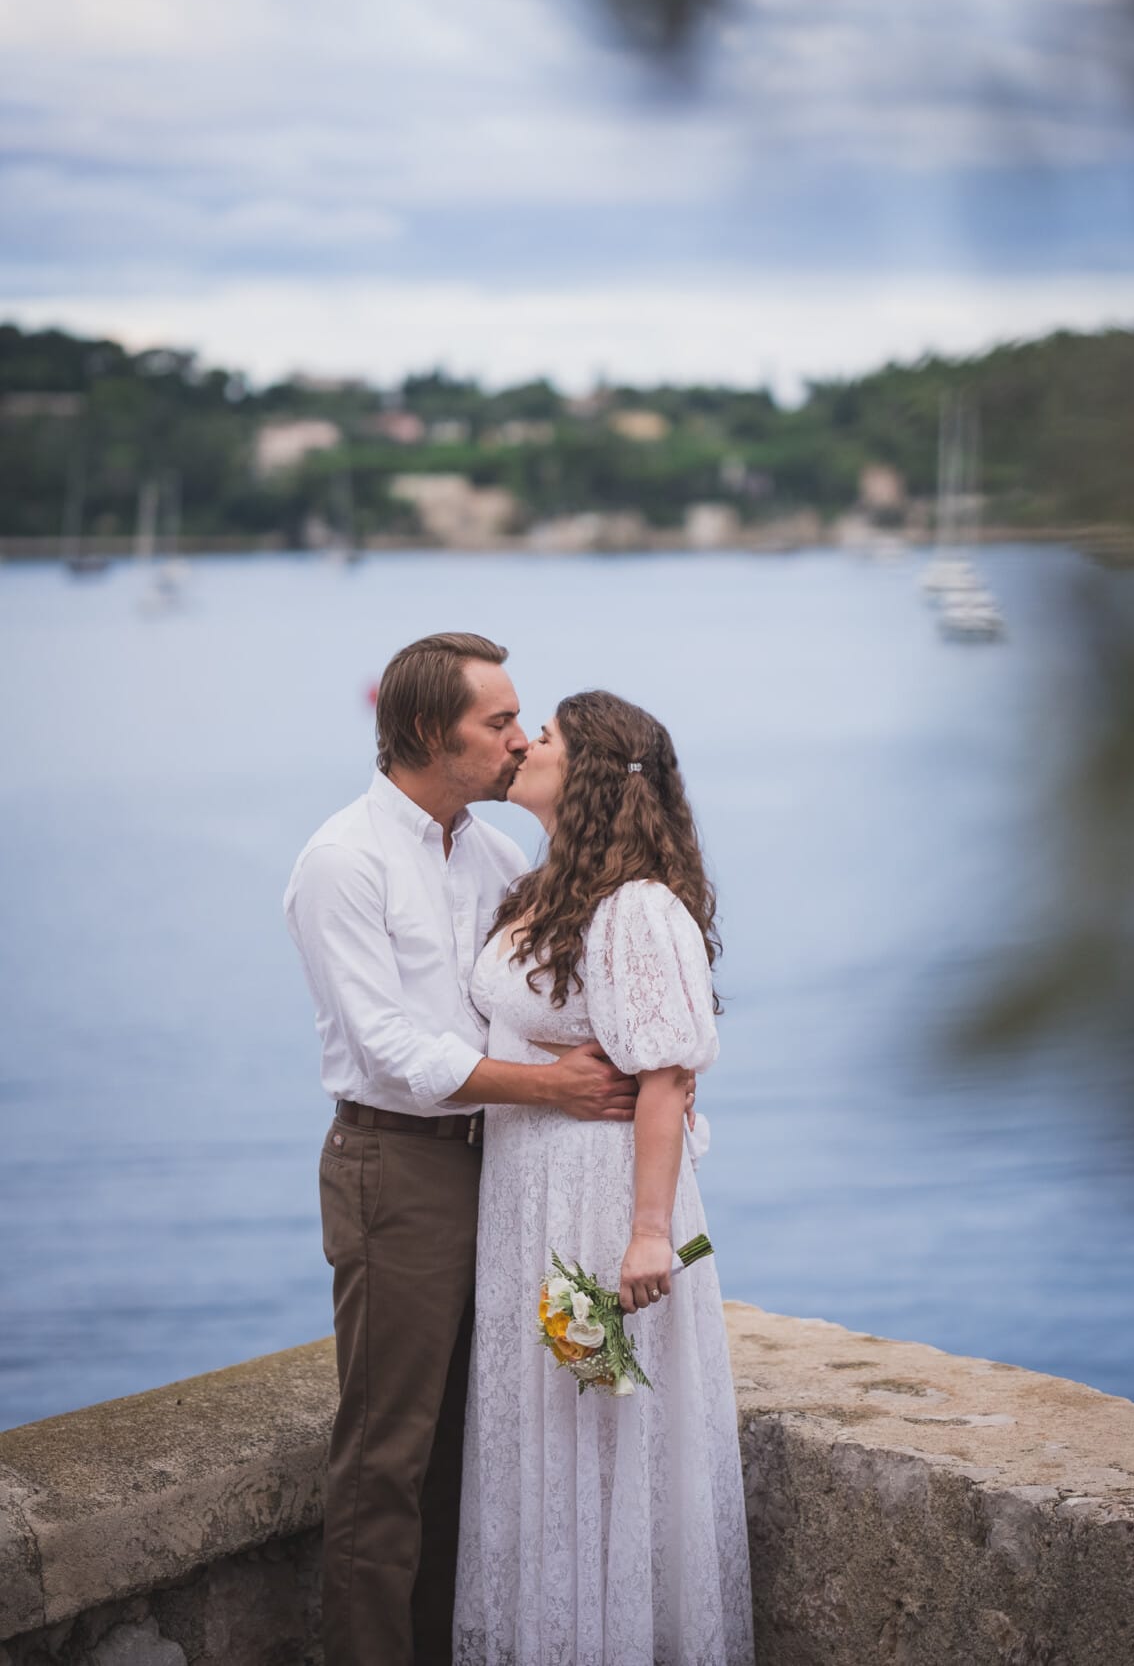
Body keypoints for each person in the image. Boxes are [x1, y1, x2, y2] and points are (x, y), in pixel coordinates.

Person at [284, 634, 653, 1666]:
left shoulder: (491, 853)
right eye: (498, 723)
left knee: (474, 1439)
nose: (521, 739)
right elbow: (390, 1051)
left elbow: (548, 987)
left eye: (521, 719)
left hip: (501, 1166)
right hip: (395, 1167)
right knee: (387, 1454)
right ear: (420, 734)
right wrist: (554, 1089)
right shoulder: (341, 861)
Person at [454, 691, 755, 1666]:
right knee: (546, 1432)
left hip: (595, 1206)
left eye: (545, 736)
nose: (525, 746)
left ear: (584, 774)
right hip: (527, 1197)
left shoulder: (634, 909)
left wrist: (646, 1234)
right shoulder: (541, 886)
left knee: (597, 1429)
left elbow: (664, 1077)